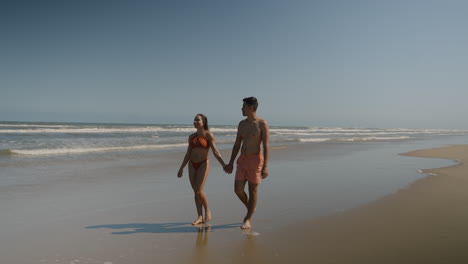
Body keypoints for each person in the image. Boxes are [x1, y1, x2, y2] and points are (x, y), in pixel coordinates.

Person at [224, 97, 270, 229]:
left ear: (251, 107)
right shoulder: (242, 124)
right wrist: (231, 162)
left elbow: (266, 146)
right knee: (238, 190)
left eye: (244, 106)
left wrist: (265, 166)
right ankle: (251, 208)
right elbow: (237, 144)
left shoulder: (262, 124)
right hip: (242, 160)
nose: (241, 109)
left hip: (255, 160)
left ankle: (248, 218)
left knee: (252, 191)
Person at [178, 114, 226, 225]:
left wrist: (223, 165)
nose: (195, 121)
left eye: (197, 120)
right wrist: (181, 168)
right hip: (192, 164)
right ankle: (199, 216)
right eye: (194, 119)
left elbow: (215, 151)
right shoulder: (191, 137)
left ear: (203, 122)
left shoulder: (208, 135)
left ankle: (207, 210)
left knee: (199, 190)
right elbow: (188, 153)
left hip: (203, 164)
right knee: (195, 191)